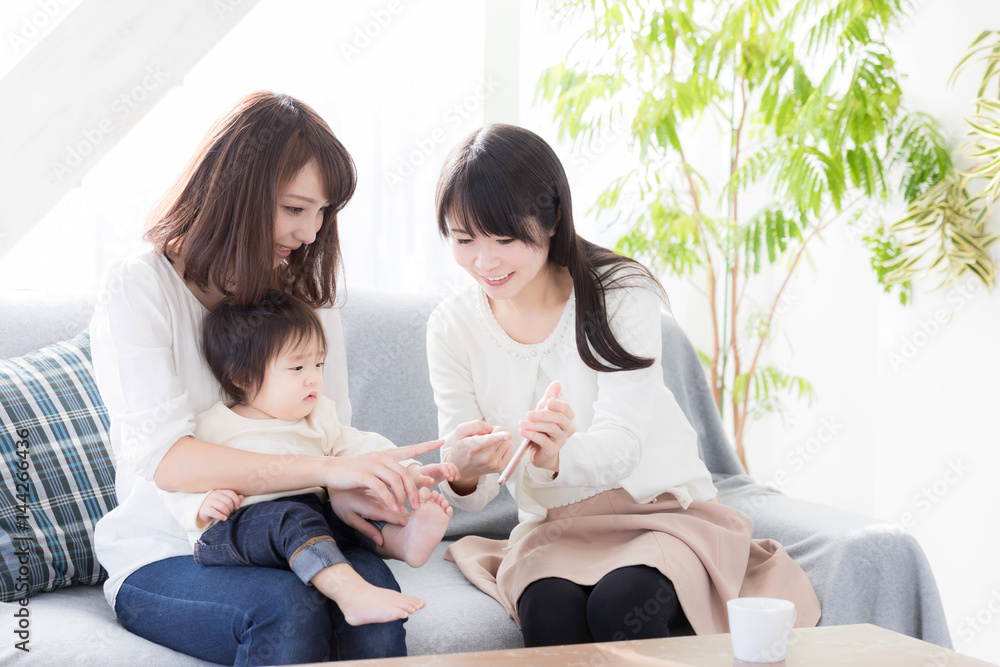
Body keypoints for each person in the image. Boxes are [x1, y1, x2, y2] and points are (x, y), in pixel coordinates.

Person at [426, 124, 822, 648]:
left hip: (657, 512)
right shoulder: (451, 326)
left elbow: (624, 442)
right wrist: (464, 471)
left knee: (623, 604)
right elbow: (469, 487)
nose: (485, 261)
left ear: (552, 220)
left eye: (505, 239)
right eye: (464, 240)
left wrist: (558, 457)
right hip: (554, 526)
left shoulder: (620, 291)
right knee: (548, 609)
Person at [90, 91, 442, 665]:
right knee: (288, 608)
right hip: (171, 549)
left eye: (324, 212)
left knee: (373, 615)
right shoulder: (140, 287)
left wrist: (369, 488)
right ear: (235, 194)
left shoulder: (305, 298)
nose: (310, 233)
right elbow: (168, 460)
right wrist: (326, 469)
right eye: (295, 208)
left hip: (302, 527)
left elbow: (329, 430)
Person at [159, 292, 458, 626]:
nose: (313, 377)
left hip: (308, 521)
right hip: (236, 530)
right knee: (293, 516)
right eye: (297, 366)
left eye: (318, 364)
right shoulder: (214, 425)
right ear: (242, 377)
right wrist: (199, 506)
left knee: (345, 509)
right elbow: (176, 480)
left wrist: (408, 470)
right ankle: (350, 593)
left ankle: (403, 541)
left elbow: (360, 446)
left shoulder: (318, 416)